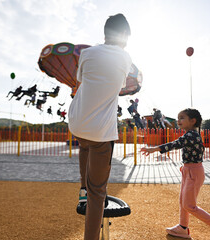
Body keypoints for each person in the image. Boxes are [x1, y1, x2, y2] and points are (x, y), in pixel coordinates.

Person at [68, 13, 132, 240]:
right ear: (125, 36)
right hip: (100, 131)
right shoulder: (125, 58)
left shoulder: (86, 53)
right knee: (99, 192)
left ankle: (82, 189)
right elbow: (121, 87)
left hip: (76, 122)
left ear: (105, 33)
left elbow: (80, 81)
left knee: (84, 143)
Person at [141, 108, 210, 239]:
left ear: (193, 121)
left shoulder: (191, 135)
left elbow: (175, 144)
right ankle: (183, 228)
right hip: (189, 170)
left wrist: (155, 149)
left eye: (182, 118)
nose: (178, 121)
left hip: (193, 172)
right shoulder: (191, 134)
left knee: (189, 205)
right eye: (178, 118)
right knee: (183, 201)